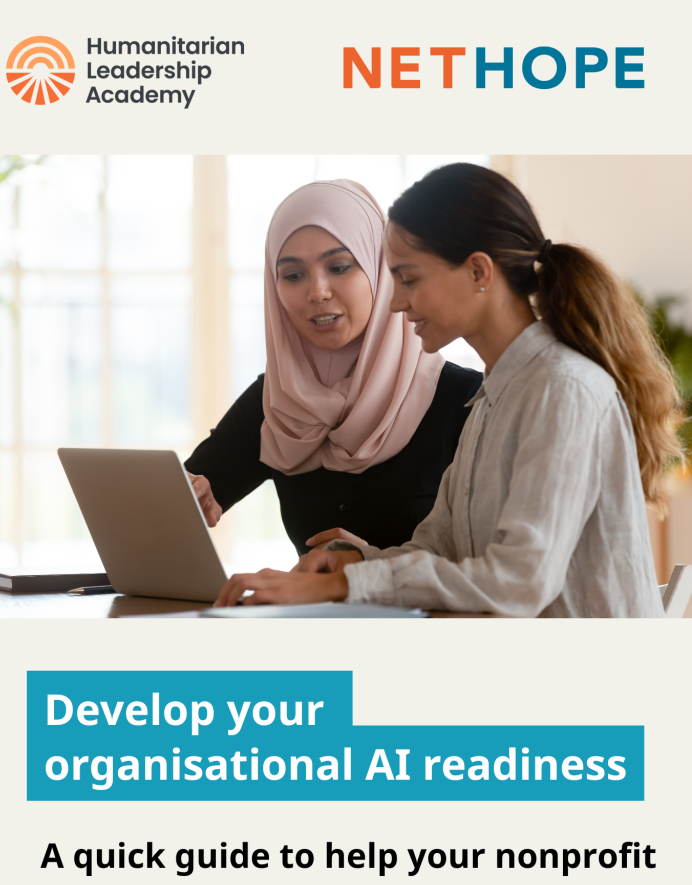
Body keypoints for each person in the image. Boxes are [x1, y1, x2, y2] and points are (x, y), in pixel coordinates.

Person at [214, 163, 684, 617]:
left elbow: (520, 581)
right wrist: (356, 562)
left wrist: (345, 585)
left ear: (479, 272)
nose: (395, 301)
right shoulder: (492, 398)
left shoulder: (563, 389)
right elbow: (439, 545)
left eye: (409, 278)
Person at [185, 179, 482, 555]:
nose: (317, 292)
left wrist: (370, 568)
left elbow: (493, 566)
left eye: (340, 267)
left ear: (382, 271)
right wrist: (188, 495)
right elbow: (189, 490)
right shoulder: (277, 400)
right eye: (293, 275)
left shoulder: (468, 402)